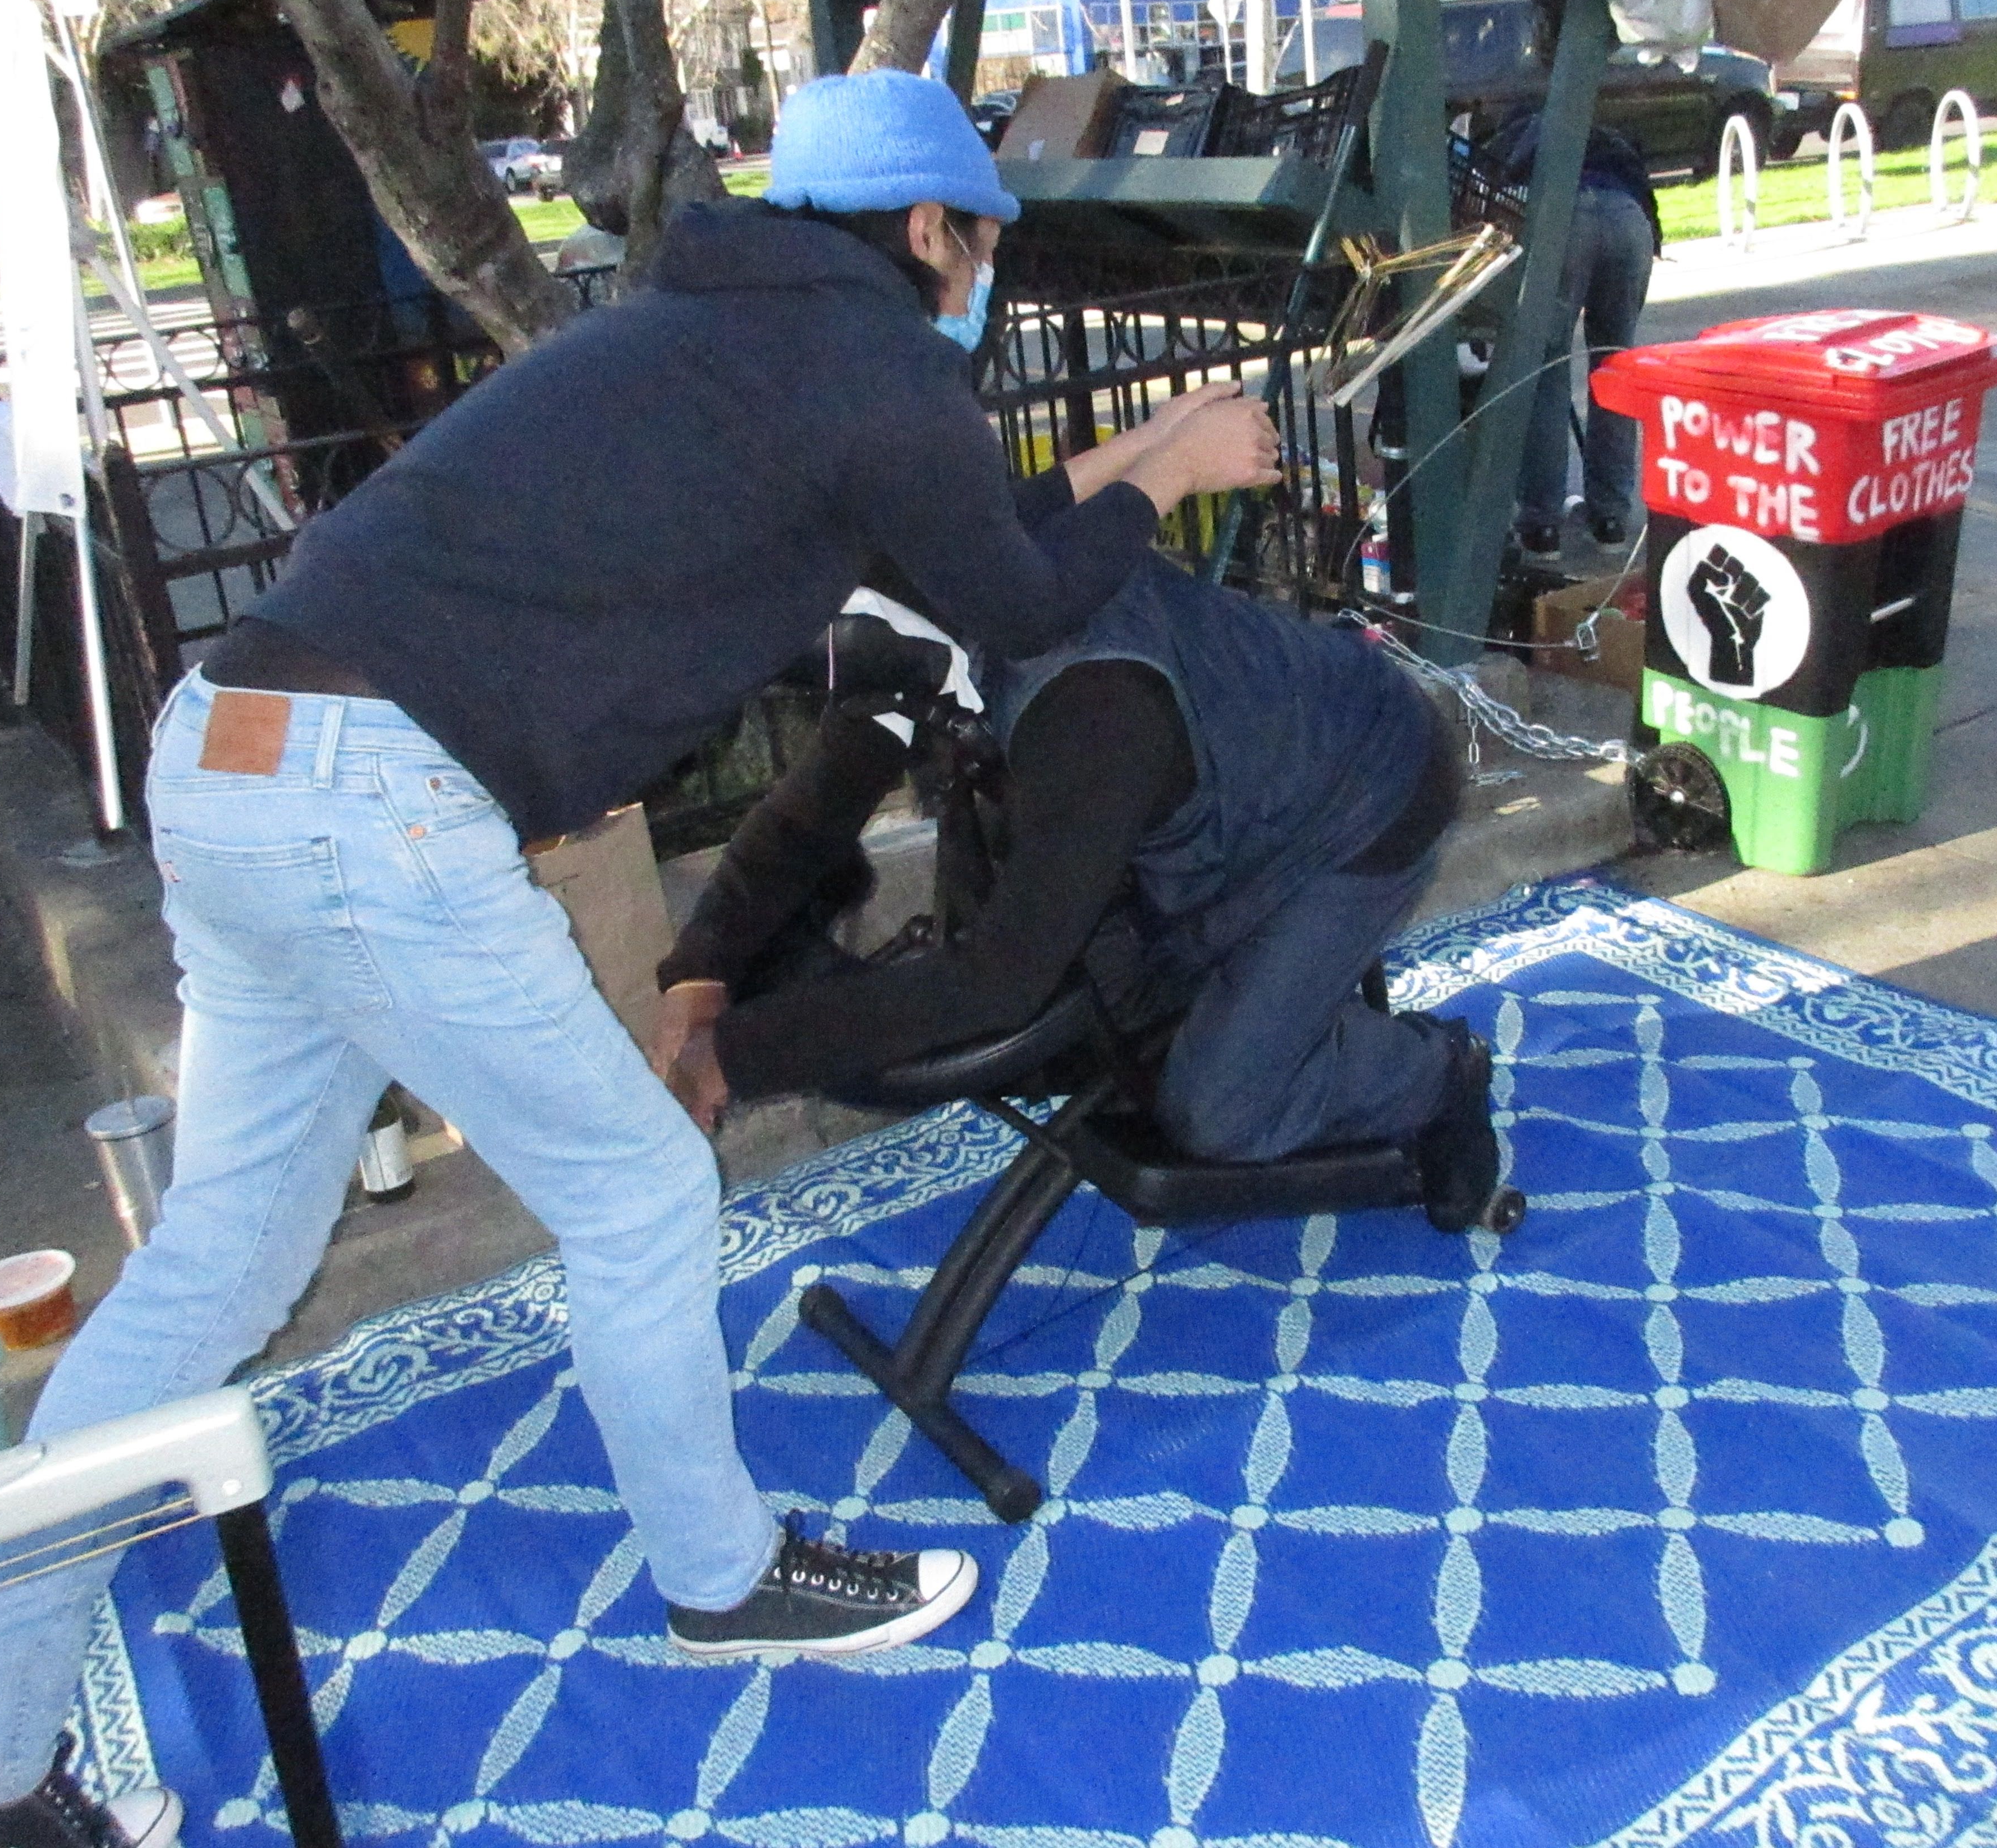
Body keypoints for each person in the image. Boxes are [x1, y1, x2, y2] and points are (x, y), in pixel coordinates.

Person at [0, 71, 1280, 1848]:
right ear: (932, 229)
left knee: (215, 1264)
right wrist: (1178, 481)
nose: (979, 285)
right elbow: (1010, 597)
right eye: (979, 244)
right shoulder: (877, 365)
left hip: (227, 748)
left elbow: (967, 535)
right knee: (637, 1197)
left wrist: (1146, 450)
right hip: (373, 803)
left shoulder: (716, 326)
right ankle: (725, 1578)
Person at [652, 557, 1509, 1229]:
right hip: (1224, 818)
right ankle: (1277, 1014)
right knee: (1111, 1002)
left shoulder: (1093, 703)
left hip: (1364, 802)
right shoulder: (934, 627)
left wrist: (736, 1055)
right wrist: (701, 970)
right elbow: (807, 821)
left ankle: (1437, 1073)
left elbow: (999, 982)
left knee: (1219, 1110)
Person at [1491, 110, 1662, 561]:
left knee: (1548, 369)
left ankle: (1541, 524)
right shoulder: (1606, 129)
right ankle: (1610, 518)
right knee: (1615, 364)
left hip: (1562, 219)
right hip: (1630, 220)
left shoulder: (1516, 130)